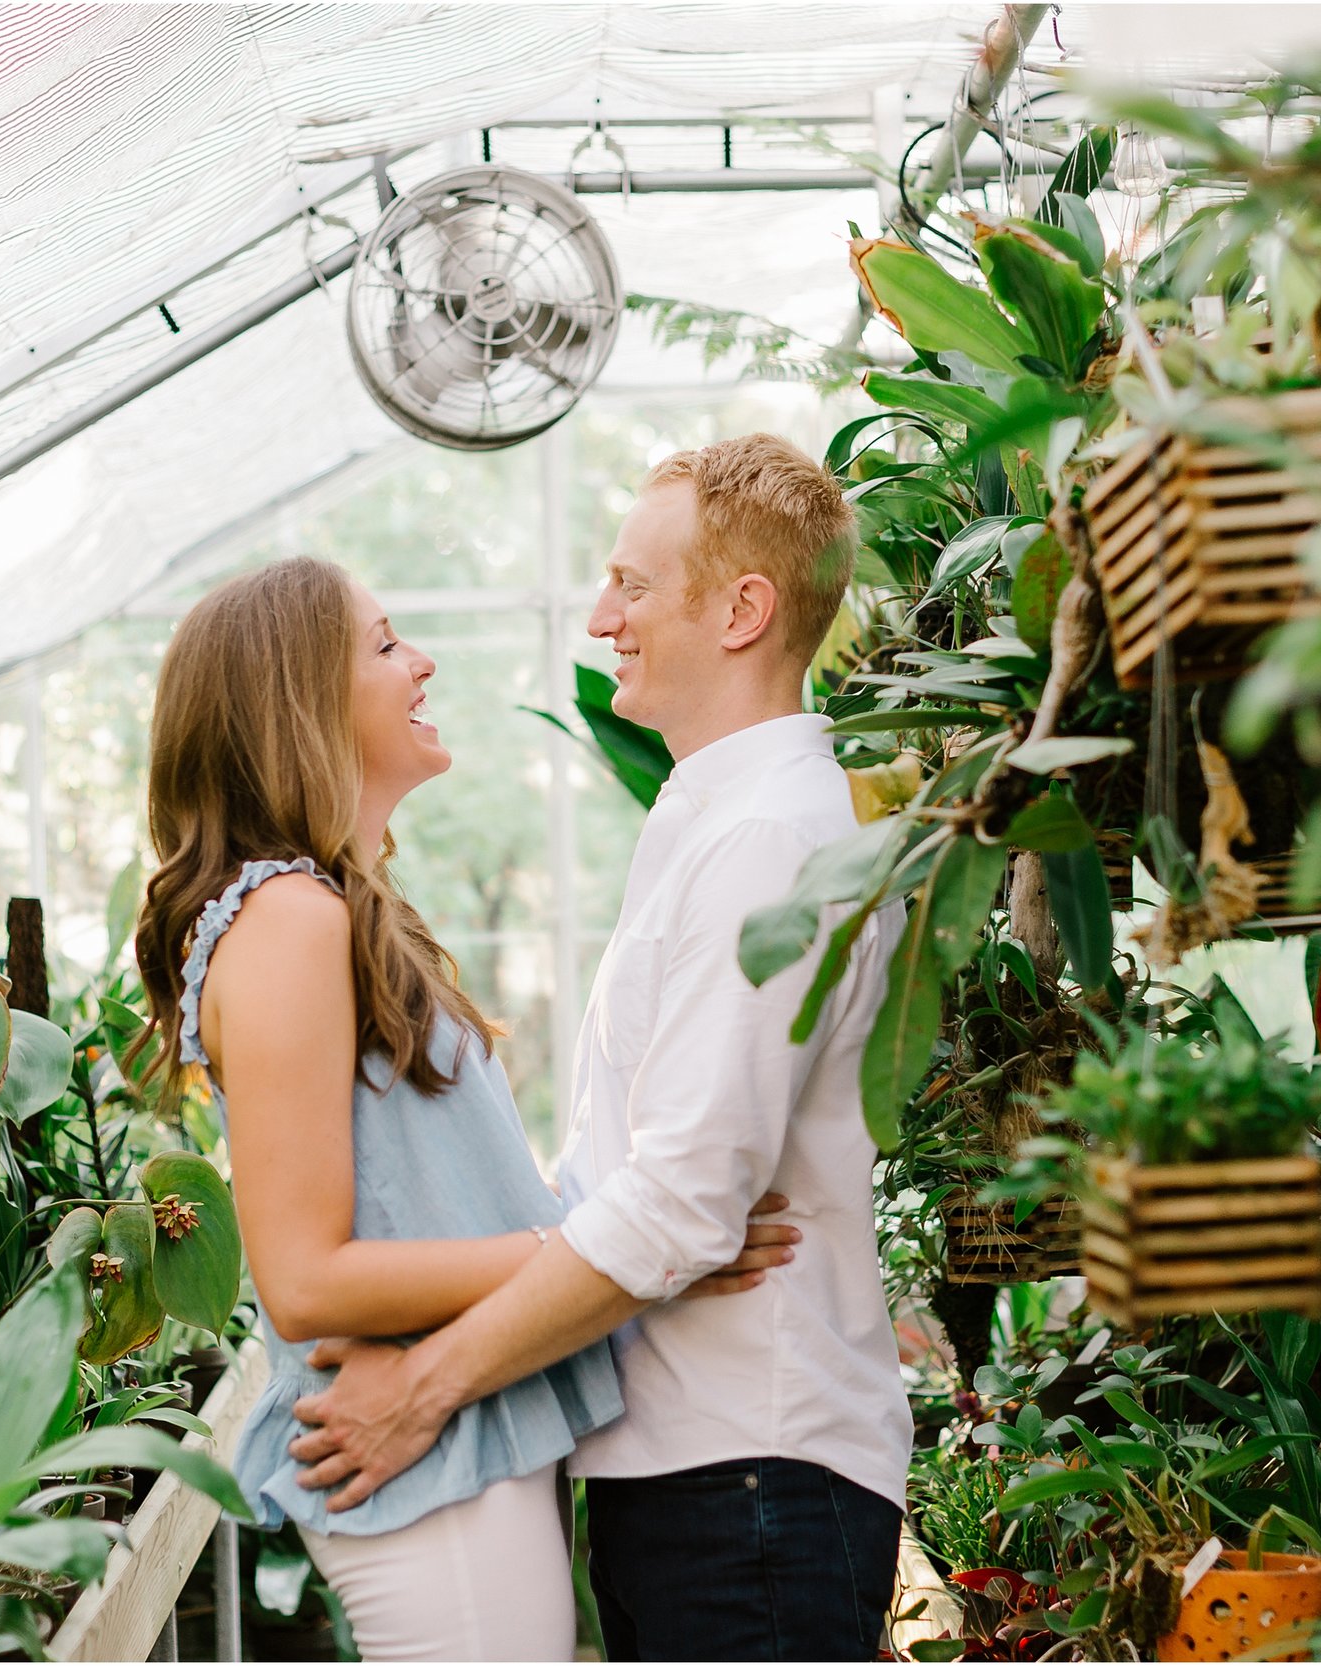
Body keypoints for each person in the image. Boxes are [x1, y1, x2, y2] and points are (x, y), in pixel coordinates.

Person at [286, 435, 911, 1661]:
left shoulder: (763, 842)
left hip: (750, 1475)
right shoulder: (716, 819)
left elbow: (681, 1204)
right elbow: (655, 1193)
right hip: (703, 1472)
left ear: (742, 610)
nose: (599, 614)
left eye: (631, 583)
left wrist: (423, 1388)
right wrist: (627, 1227)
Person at [132, 556, 797, 1663]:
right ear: (298, 700)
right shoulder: (291, 919)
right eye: (386, 643)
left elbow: (442, 1200)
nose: (421, 660)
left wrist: (646, 1246)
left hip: (451, 1446)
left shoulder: (329, 908)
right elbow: (302, 1281)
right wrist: (600, 1251)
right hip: (416, 1467)